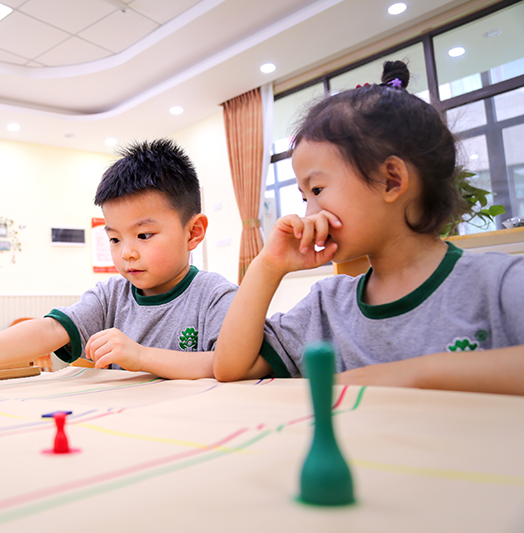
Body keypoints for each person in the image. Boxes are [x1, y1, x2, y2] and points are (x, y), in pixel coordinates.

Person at [213, 61, 524, 395]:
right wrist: (269, 265)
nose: (309, 214)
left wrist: (411, 376)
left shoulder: (498, 282)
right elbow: (232, 367)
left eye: (317, 190)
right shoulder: (328, 305)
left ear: (391, 180)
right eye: (304, 198)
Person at [0, 139, 238, 393]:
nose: (126, 253)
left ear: (193, 232)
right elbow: (51, 329)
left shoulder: (215, 296)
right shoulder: (111, 295)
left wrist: (140, 357)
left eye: (144, 235)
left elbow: (231, 365)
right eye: (114, 239)